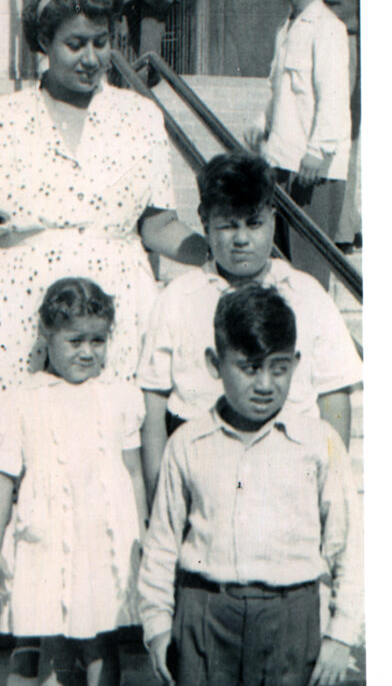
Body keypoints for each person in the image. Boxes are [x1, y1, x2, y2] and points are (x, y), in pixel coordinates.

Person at [0, 0, 204, 482]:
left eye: (101, 42)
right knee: (13, 454)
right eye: (75, 44)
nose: (91, 58)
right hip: (20, 313)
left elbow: (157, 224)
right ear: (44, 41)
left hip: (117, 313)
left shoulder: (140, 115)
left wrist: (212, 251)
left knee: (110, 458)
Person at [138, 284, 362, 685]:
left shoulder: (319, 442)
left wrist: (342, 634)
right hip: (205, 615)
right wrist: (156, 623)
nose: (265, 385)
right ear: (215, 363)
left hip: (292, 617)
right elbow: (162, 541)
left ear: (295, 363)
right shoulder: (187, 444)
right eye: (249, 367)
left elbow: (348, 545)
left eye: (278, 368)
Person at [136, 152, 362, 497]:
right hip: (201, 475)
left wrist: (330, 487)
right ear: (205, 222)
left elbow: (335, 399)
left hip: (289, 471)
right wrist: (157, 496)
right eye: (228, 225)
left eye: (254, 224)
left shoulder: (306, 294)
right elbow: (153, 408)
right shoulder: (178, 298)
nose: (241, 239)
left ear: (273, 219)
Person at [0, 278, 147, 686]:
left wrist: (141, 537)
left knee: (101, 634)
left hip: (102, 536)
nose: (88, 352)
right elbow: (2, 477)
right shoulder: (22, 399)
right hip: (48, 535)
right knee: (42, 631)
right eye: (75, 341)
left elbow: (134, 474)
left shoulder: (119, 396)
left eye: (98, 340)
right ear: (47, 333)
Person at [245, 0, 351, 290]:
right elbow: (281, 92)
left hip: (312, 172)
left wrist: (319, 149)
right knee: (282, 276)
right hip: (282, 162)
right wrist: (263, 122)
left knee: (309, 279)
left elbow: (334, 95)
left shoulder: (327, 27)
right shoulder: (287, 28)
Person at [319, 0, 361, 252]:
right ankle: (338, 223)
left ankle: (342, 228)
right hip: (317, 41)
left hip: (347, 44)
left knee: (341, 133)